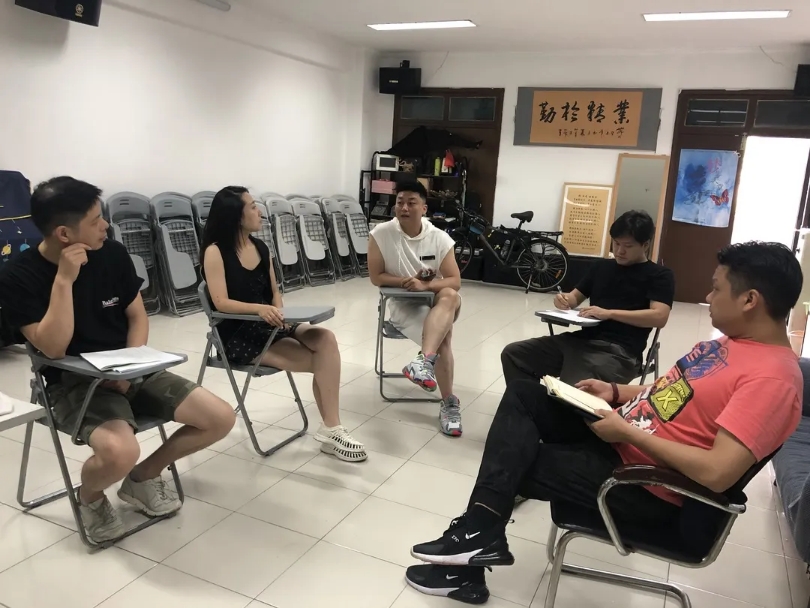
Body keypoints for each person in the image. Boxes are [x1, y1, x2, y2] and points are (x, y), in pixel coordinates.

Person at [404, 241, 803, 604]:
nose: (708, 297)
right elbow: (671, 392)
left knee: (513, 458)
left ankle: (469, 554)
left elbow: (717, 473)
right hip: (620, 441)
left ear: (750, 300)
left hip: (643, 486)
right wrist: (614, 391)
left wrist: (627, 432)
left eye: (716, 288)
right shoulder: (732, 343)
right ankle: (478, 539)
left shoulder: (772, 380)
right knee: (525, 394)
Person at [0, 177, 237, 544]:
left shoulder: (111, 253)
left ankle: (142, 478)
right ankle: (90, 498)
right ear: (64, 234)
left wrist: (130, 365)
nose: (106, 226)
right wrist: (64, 281)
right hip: (72, 380)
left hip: (130, 366)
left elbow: (137, 316)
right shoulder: (18, 276)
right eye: (96, 220)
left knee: (220, 418)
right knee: (120, 451)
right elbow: (54, 349)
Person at [200, 186, 367, 462]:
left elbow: (275, 292)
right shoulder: (215, 252)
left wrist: (279, 312)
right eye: (253, 207)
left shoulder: (260, 247)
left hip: (270, 324)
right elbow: (220, 302)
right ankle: (332, 429)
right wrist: (261, 310)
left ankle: (331, 428)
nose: (260, 212)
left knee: (325, 339)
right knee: (322, 361)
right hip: (240, 333)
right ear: (236, 216)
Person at [501, 210, 675, 386]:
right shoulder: (601, 267)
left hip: (619, 353)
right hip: (579, 341)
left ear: (645, 245)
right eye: (616, 243)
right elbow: (574, 298)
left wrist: (609, 313)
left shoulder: (659, 275)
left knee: (574, 389)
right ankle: (528, 400)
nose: (620, 251)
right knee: (514, 354)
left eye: (628, 246)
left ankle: (553, 402)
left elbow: (659, 317)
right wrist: (563, 300)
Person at [368, 180, 463, 437]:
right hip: (402, 303)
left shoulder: (439, 237)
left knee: (450, 293)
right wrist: (406, 282)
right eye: (400, 202)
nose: (404, 208)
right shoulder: (381, 234)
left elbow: (455, 280)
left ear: (424, 208)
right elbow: (376, 276)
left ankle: (422, 362)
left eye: (411, 203)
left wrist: (426, 285)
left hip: (435, 301)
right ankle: (448, 402)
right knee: (443, 338)